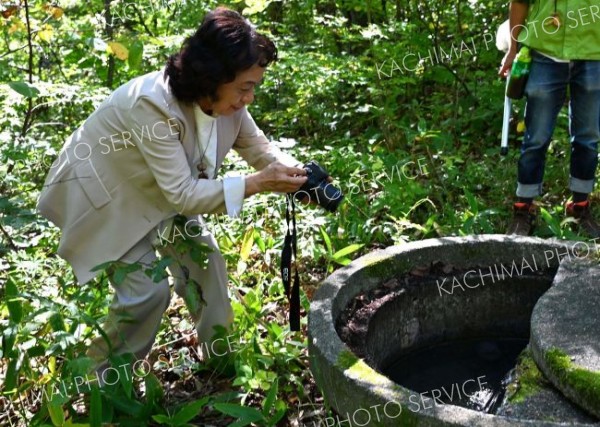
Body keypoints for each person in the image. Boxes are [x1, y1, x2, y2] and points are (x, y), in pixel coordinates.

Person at [37, 7, 316, 382]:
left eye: (254, 87)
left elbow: (257, 148)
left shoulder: (229, 103)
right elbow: (184, 195)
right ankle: (101, 384)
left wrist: (298, 174)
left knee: (207, 264)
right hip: (108, 197)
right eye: (245, 87)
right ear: (214, 76)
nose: (249, 98)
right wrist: (257, 183)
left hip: (161, 192)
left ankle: (221, 363)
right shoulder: (151, 103)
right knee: (146, 294)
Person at [499, 0, 600, 236]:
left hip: (594, 53)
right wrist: (513, 50)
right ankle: (524, 208)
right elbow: (520, 3)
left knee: (588, 137)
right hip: (545, 53)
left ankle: (580, 207)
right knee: (536, 138)